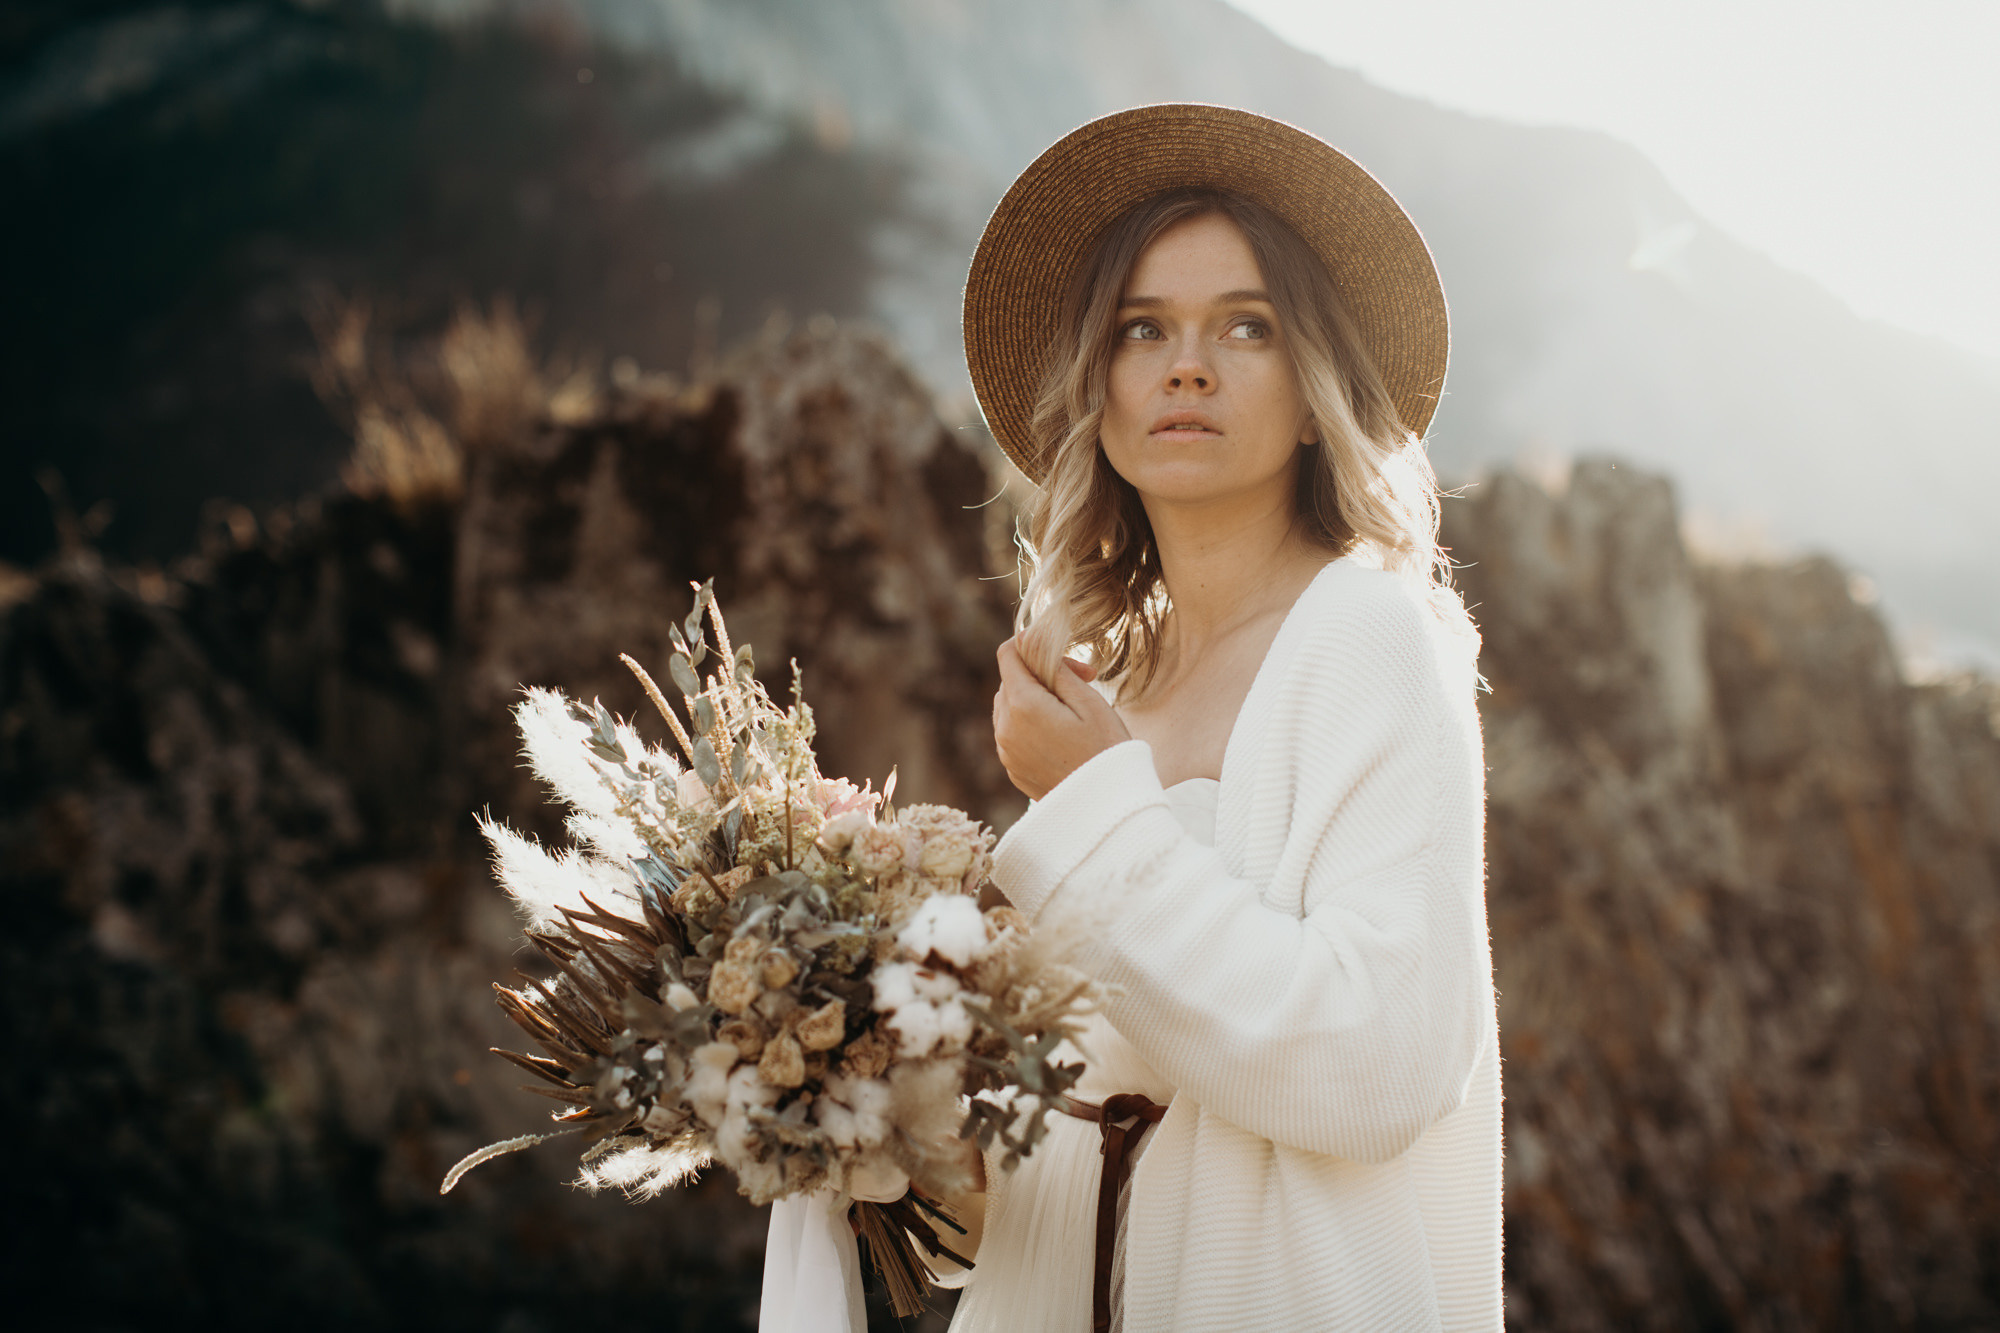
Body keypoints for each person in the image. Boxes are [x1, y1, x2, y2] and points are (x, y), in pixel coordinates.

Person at [933, 104, 1501, 1331]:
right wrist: (889, 1108)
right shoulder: (1099, 687)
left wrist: (1087, 809)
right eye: (1144, 329)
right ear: (1103, 382)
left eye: (1244, 326)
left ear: (1314, 394)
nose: (1185, 366)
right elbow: (1076, 1130)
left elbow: (1381, 1063)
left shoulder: (1367, 641)